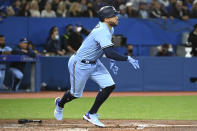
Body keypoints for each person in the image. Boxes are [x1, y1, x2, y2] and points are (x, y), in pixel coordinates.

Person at [54, 6, 140, 127]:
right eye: (113, 15)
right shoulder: (103, 31)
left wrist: (112, 61)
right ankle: (60, 104)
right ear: (106, 19)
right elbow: (109, 52)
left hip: (95, 63)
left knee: (109, 86)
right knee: (75, 94)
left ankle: (91, 114)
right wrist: (127, 58)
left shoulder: (109, 29)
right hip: (79, 64)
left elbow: (105, 49)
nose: (117, 17)